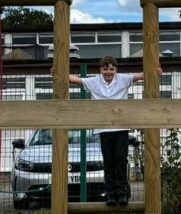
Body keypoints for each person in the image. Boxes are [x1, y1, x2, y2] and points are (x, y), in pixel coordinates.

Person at [61, 56, 161, 206]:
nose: (109, 72)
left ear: (116, 70)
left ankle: (122, 193)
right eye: (105, 69)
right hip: (103, 128)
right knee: (109, 162)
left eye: (112, 69)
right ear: (100, 70)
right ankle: (111, 194)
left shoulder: (122, 79)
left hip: (121, 127)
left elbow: (142, 75)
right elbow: (75, 80)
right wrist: (57, 73)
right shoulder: (94, 81)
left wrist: (155, 70)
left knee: (120, 159)